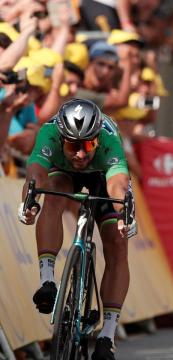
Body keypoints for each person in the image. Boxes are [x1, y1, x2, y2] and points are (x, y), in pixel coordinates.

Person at [18, 99, 136, 360]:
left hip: (103, 175)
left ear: (97, 139)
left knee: (117, 241)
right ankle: (47, 282)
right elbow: (36, 173)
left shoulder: (108, 137)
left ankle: (107, 333)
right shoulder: (49, 133)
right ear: (62, 138)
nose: (81, 154)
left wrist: (122, 212)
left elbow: (117, 181)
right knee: (53, 193)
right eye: (73, 145)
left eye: (88, 145)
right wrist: (30, 201)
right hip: (64, 172)